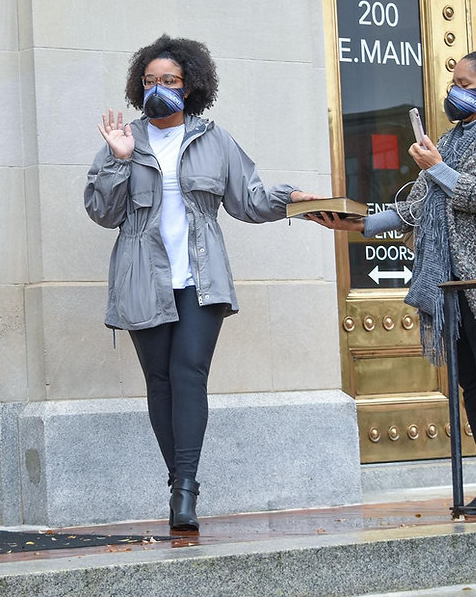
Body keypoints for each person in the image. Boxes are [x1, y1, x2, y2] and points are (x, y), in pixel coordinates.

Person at [84, 35, 319, 531]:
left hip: (200, 278)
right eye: (149, 82)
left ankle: (186, 487)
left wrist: (293, 197)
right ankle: (178, 482)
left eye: (167, 81)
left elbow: (249, 199)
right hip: (143, 279)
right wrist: (119, 159)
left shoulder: (214, 139)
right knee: (160, 382)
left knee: (189, 372)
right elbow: (101, 212)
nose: (157, 89)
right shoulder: (125, 140)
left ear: (189, 86)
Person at [309, 48, 476, 512]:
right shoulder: (454, 139)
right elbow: (424, 206)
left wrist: (437, 168)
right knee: (472, 382)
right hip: (451, 281)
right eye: (453, 83)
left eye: (464, 85)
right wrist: (359, 221)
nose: (454, 93)